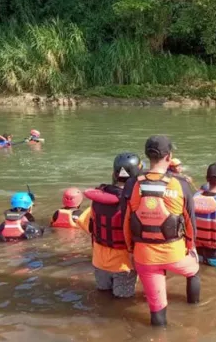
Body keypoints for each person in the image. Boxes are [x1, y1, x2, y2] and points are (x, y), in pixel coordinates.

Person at [122, 135, 200, 327]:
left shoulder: (133, 183)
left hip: (144, 256)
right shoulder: (181, 184)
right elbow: (190, 222)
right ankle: (195, 310)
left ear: (147, 156)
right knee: (194, 271)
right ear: (169, 156)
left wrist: (131, 250)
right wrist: (191, 247)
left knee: (157, 309)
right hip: (174, 253)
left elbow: (126, 222)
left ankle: (158, 335)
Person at [76, 152, 142, 298]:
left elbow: (83, 223)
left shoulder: (99, 199)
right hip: (124, 265)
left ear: (114, 173)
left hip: (99, 262)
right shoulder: (136, 202)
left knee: (102, 296)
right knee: (121, 303)